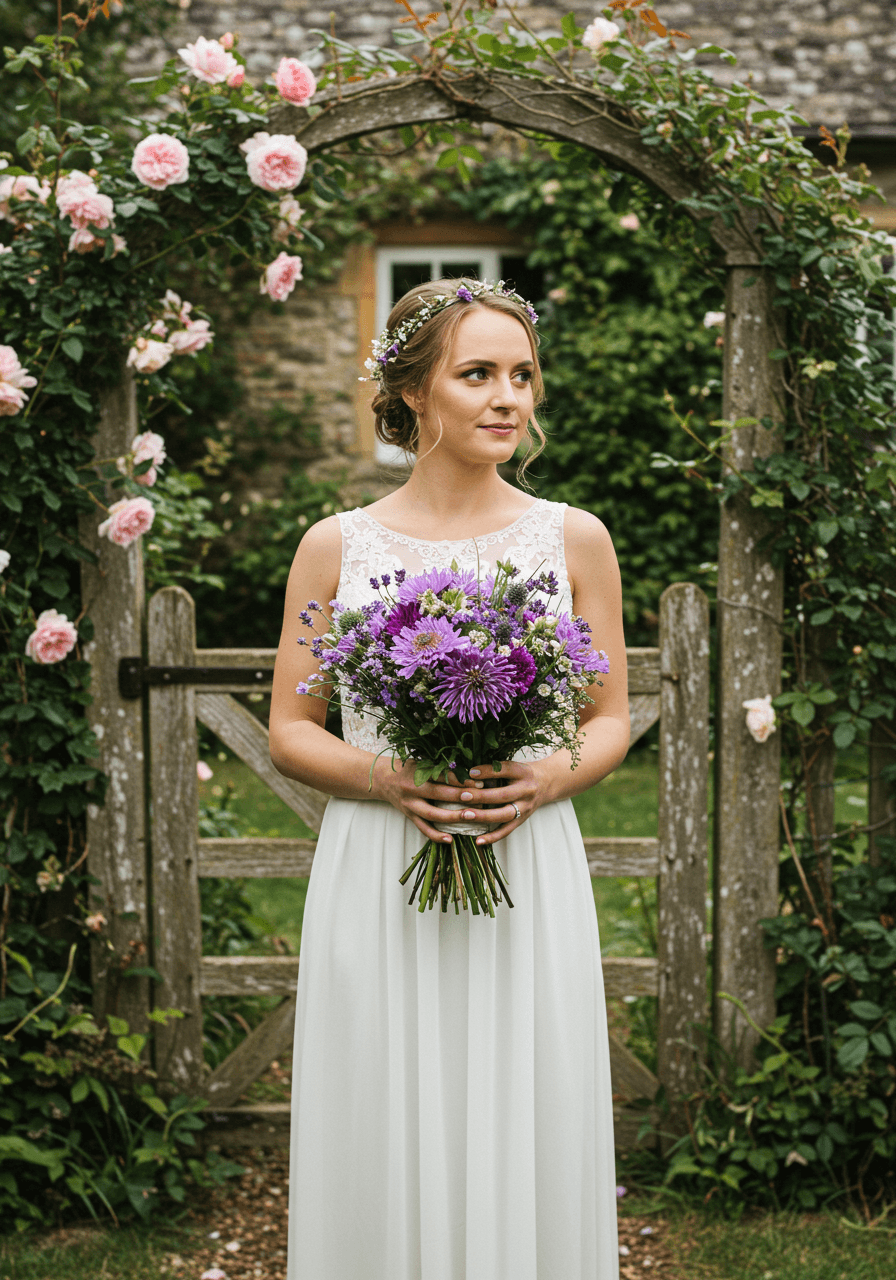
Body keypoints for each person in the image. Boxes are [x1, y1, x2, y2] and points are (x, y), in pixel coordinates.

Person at [269, 278, 630, 1280]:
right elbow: (291, 730)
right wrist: (387, 774)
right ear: (412, 393)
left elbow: (609, 717)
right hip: (382, 862)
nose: (507, 396)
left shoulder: (573, 537)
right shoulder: (336, 546)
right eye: (476, 374)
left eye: (521, 375)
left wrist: (546, 775)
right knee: (382, 1094)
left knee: (524, 1092)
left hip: (523, 856)